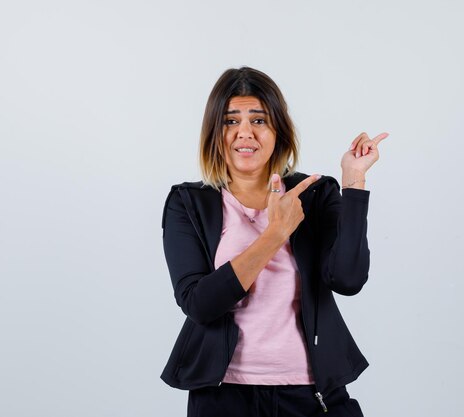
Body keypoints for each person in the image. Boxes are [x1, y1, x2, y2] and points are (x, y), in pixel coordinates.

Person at [160, 66, 388, 417]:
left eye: (259, 121)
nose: (245, 133)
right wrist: (275, 234)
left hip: (311, 394)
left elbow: (348, 279)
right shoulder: (189, 203)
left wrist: (353, 182)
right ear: (214, 132)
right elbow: (198, 304)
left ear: (278, 130)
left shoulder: (313, 194)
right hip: (224, 397)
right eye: (231, 121)